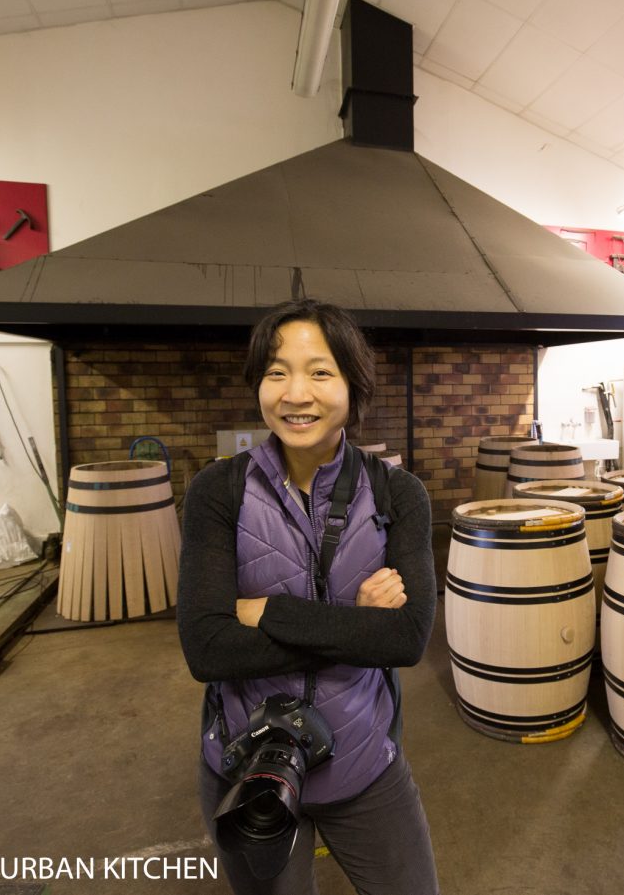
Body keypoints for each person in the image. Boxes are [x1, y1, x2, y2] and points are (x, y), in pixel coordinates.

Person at [177, 298, 440, 895]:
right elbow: (207, 649)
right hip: (248, 767)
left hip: (364, 763)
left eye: (320, 372)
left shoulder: (398, 494)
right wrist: (356, 628)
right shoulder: (218, 492)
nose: (296, 394)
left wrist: (267, 612)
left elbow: (406, 640)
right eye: (277, 372)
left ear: (353, 384)